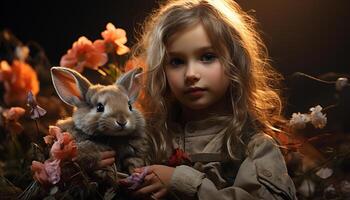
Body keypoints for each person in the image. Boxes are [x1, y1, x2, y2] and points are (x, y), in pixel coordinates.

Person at [116, 0, 298, 199]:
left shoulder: (254, 146)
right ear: (161, 71)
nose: (191, 74)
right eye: (176, 61)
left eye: (207, 57)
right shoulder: (147, 140)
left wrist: (182, 182)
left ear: (235, 62)